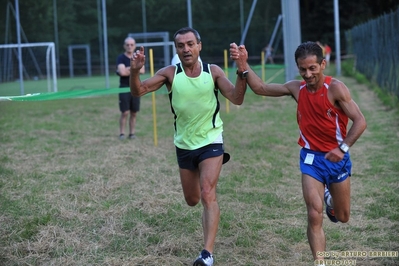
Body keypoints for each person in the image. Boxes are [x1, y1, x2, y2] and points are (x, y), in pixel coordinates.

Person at [230, 41, 367, 262]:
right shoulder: (296, 88)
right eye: (303, 69)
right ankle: (319, 261)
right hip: (311, 158)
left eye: (312, 68)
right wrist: (243, 65)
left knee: (343, 217)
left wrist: (342, 148)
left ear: (323, 64)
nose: (308, 74)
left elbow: (360, 121)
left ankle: (330, 199)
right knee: (314, 214)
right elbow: (261, 88)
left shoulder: (336, 89)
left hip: (337, 158)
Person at [130, 27, 247, 266]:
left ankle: (207, 254)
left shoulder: (212, 72)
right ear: (176, 50)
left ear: (199, 46)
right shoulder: (170, 74)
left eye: (190, 44)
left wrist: (241, 70)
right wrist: (134, 71)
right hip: (184, 145)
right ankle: (207, 240)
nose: (186, 49)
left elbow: (236, 98)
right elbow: (138, 90)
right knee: (192, 199)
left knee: (207, 193)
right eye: (181, 45)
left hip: (211, 141)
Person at [116, 37, 145, 140]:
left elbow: (142, 71)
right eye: (127, 44)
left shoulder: (138, 57)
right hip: (124, 88)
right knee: (125, 112)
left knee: (134, 112)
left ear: (135, 46)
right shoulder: (121, 58)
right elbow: (122, 73)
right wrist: (134, 69)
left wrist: (128, 69)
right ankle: (122, 134)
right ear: (124, 46)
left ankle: (132, 134)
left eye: (131, 44)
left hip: (136, 87)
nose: (129, 46)